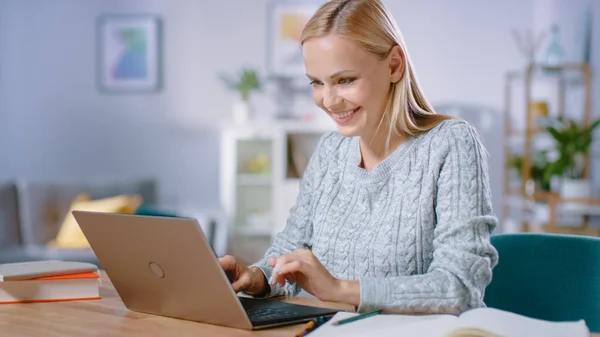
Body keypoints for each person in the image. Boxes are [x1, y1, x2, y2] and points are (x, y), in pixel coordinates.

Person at [219, 0, 498, 315]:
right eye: (316, 82)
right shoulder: (330, 151)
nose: (328, 100)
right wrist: (255, 277)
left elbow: (459, 287)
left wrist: (339, 289)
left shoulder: (451, 143)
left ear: (394, 65)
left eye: (344, 80)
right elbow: (291, 251)